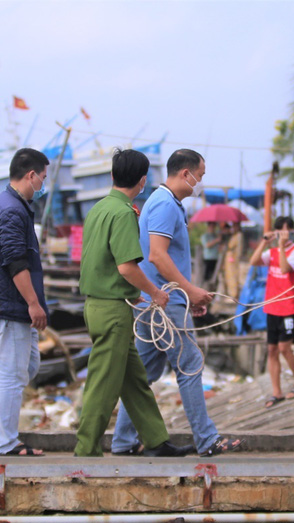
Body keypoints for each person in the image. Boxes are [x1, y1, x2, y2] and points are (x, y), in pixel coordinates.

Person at [111, 149, 239, 457]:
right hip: (164, 302)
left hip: (160, 301)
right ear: (186, 174)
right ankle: (207, 440)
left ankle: (123, 441)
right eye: (200, 175)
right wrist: (190, 291)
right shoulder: (165, 204)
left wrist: (187, 296)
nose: (201, 182)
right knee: (190, 365)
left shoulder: (165, 202)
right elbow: (157, 255)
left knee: (144, 374)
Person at [74, 149, 188, 458]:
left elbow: (103, 262)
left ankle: (156, 440)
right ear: (142, 181)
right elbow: (126, 267)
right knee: (103, 384)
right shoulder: (124, 213)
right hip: (112, 311)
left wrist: (134, 294)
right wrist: (155, 293)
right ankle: (86, 451)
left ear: (112, 176)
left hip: (100, 304)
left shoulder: (99, 208)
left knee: (135, 381)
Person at [0, 148, 50, 456]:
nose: (42, 184)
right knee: (11, 375)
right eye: (42, 178)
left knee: (27, 366)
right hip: (10, 304)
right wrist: (33, 303)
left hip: (11, 303)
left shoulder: (11, 205)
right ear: (30, 175)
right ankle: (7, 442)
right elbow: (15, 262)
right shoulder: (11, 211)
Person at [249, 216, 294, 408]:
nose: (283, 235)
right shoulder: (272, 251)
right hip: (272, 307)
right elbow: (254, 261)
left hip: (289, 307)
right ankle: (277, 392)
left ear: (292, 231)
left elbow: (284, 269)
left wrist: (282, 246)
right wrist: (265, 242)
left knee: (285, 348)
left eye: (285, 231)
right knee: (272, 349)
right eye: (279, 232)